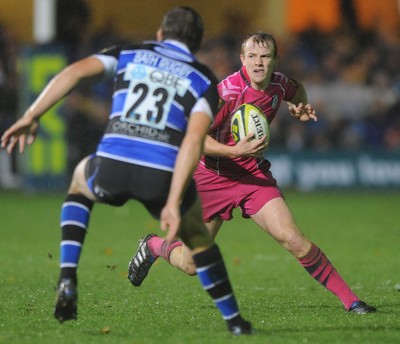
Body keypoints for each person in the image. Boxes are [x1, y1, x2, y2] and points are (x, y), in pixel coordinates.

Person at [1, 7, 252, 335]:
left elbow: (74, 72)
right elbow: (193, 141)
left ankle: (67, 275)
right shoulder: (203, 78)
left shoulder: (130, 53)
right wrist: (175, 201)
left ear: (161, 33)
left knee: (79, 182)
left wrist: (32, 114)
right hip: (159, 176)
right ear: (197, 43)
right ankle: (235, 322)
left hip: (111, 168)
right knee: (200, 242)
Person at [128, 31, 377, 315]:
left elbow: (297, 90)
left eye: (265, 56)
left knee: (292, 239)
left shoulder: (279, 84)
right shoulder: (225, 94)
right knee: (190, 264)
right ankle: (153, 245)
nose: (259, 63)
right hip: (209, 178)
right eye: (253, 57)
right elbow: (194, 138)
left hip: (251, 177)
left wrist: (298, 107)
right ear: (242, 59)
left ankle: (352, 301)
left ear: (275, 60)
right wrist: (234, 151)